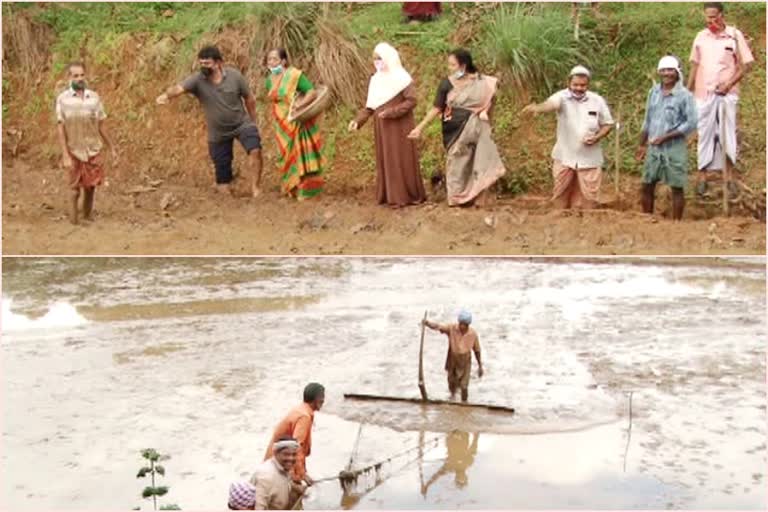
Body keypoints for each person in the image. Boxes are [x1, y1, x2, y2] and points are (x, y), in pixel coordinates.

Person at [156, 46, 263, 197]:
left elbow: (249, 99)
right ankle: (227, 189)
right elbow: (179, 89)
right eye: (201, 63)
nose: (204, 67)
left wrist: (253, 121)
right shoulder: (197, 79)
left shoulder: (234, 76)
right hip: (218, 133)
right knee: (223, 186)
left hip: (241, 124)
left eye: (207, 63)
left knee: (255, 150)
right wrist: (166, 95)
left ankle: (256, 188)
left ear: (219, 63)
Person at [409, 49, 506, 207]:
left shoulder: (480, 82)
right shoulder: (446, 83)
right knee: (456, 162)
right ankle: (456, 198)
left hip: (477, 128)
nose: (450, 68)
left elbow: (490, 97)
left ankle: (479, 198)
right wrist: (420, 127)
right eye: (449, 64)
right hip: (454, 130)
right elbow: (437, 108)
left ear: (463, 65)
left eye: (453, 65)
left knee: (479, 160)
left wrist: (486, 113)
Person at [522, 65, 614, 209]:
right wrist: (538, 108)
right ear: (569, 83)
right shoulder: (562, 97)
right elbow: (550, 104)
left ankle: (587, 226)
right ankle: (561, 224)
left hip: (589, 158)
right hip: (565, 156)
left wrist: (597, 137)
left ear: (587, 84)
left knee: (589, 199)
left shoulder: (597, 100)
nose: (578, 88)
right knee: (560, 195)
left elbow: (608, 124)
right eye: (575, 84)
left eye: (582, 85)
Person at [687, 2, 754, 197]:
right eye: (708, 17)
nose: (711, 21)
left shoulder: (734, 35)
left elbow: (745, 66)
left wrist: (728, 84)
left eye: (714, 17)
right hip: (703, 94)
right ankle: (702, 177)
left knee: (727, 134)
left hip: (727, 94)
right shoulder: (701, 36)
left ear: (722, 15)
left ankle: (729, 177)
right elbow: (694, 65)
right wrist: (687, 92)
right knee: (704, 133)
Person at [348, 42, 426, 208]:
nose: (377, 62)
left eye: (380, 58)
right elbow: (370, 107)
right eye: (375, 59)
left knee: (400, 158)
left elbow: (412, 100)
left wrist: (392, 112)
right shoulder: (375, 80)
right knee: (387, 159)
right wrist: (357, 121)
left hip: (399, 126)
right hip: (382, 128)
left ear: (389, 58)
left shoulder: (402, 78)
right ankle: (389, 195)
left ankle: (404, 196)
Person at [55, 61, 117, 225]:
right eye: (76, 76)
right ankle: (74, 220)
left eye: (82, 75)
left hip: (93, 148)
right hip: (73, 149)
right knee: (74, 189)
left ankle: (87, 216)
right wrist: (65, 154)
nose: (80, 78)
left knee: (91, 186)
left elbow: (101, 124)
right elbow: (60, 127)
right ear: (69, 77)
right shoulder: (63, 99)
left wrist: (111, 146)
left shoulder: (94, 98)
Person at [636, 56, 698, 221]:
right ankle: (646, 219)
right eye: (663, 70)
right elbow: (647, 119)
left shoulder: (685, 96)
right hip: (654, 147)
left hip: (674, 146)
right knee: (647, 184)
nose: (666, 74)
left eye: (670, 70)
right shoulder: (654, 92)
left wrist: (666, 136)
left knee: (677, 186)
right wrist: (641, 145)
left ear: (677, 72)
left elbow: (691, 122)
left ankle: (676, 223)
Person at [265, 48, 324, 200]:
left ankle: (306, 191)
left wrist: (300, 105)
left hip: (295, 121)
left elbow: (311, 92)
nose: (271, 62)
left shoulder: (294, 75)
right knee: (285, 155)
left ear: (283, 61)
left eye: (274, 59)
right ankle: (291, 188)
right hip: (281, 124)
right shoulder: (269, 79)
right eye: (269, 59)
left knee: (300, 154)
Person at [264, 383, 325, 487]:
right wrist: (302, 474)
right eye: (322, 397)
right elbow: (297, 447)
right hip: (279, 464)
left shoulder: (301, 409)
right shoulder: (304, 417)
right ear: (316, 399)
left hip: (277, 462)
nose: (323, 401)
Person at [423, 310, 483, 402]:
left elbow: (477, 350)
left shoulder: (473, 334)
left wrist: (480, 366)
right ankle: (453, 399)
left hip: (465, 361)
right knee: (452, 384)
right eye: (461, 324)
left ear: (468, 325)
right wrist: (427, 323)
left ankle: (464, 403)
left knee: (464, 386)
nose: (462, 326)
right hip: (452, 360)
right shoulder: (452, 328)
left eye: (465, 325)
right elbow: (438, 326)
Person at [251, 437, 305, 510]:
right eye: (286, 454)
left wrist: (297, 488)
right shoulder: (265, 477)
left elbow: (283, 482)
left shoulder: (284, 468)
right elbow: (259, 508)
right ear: (275, 453)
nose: (291, 458)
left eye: (294, 454)